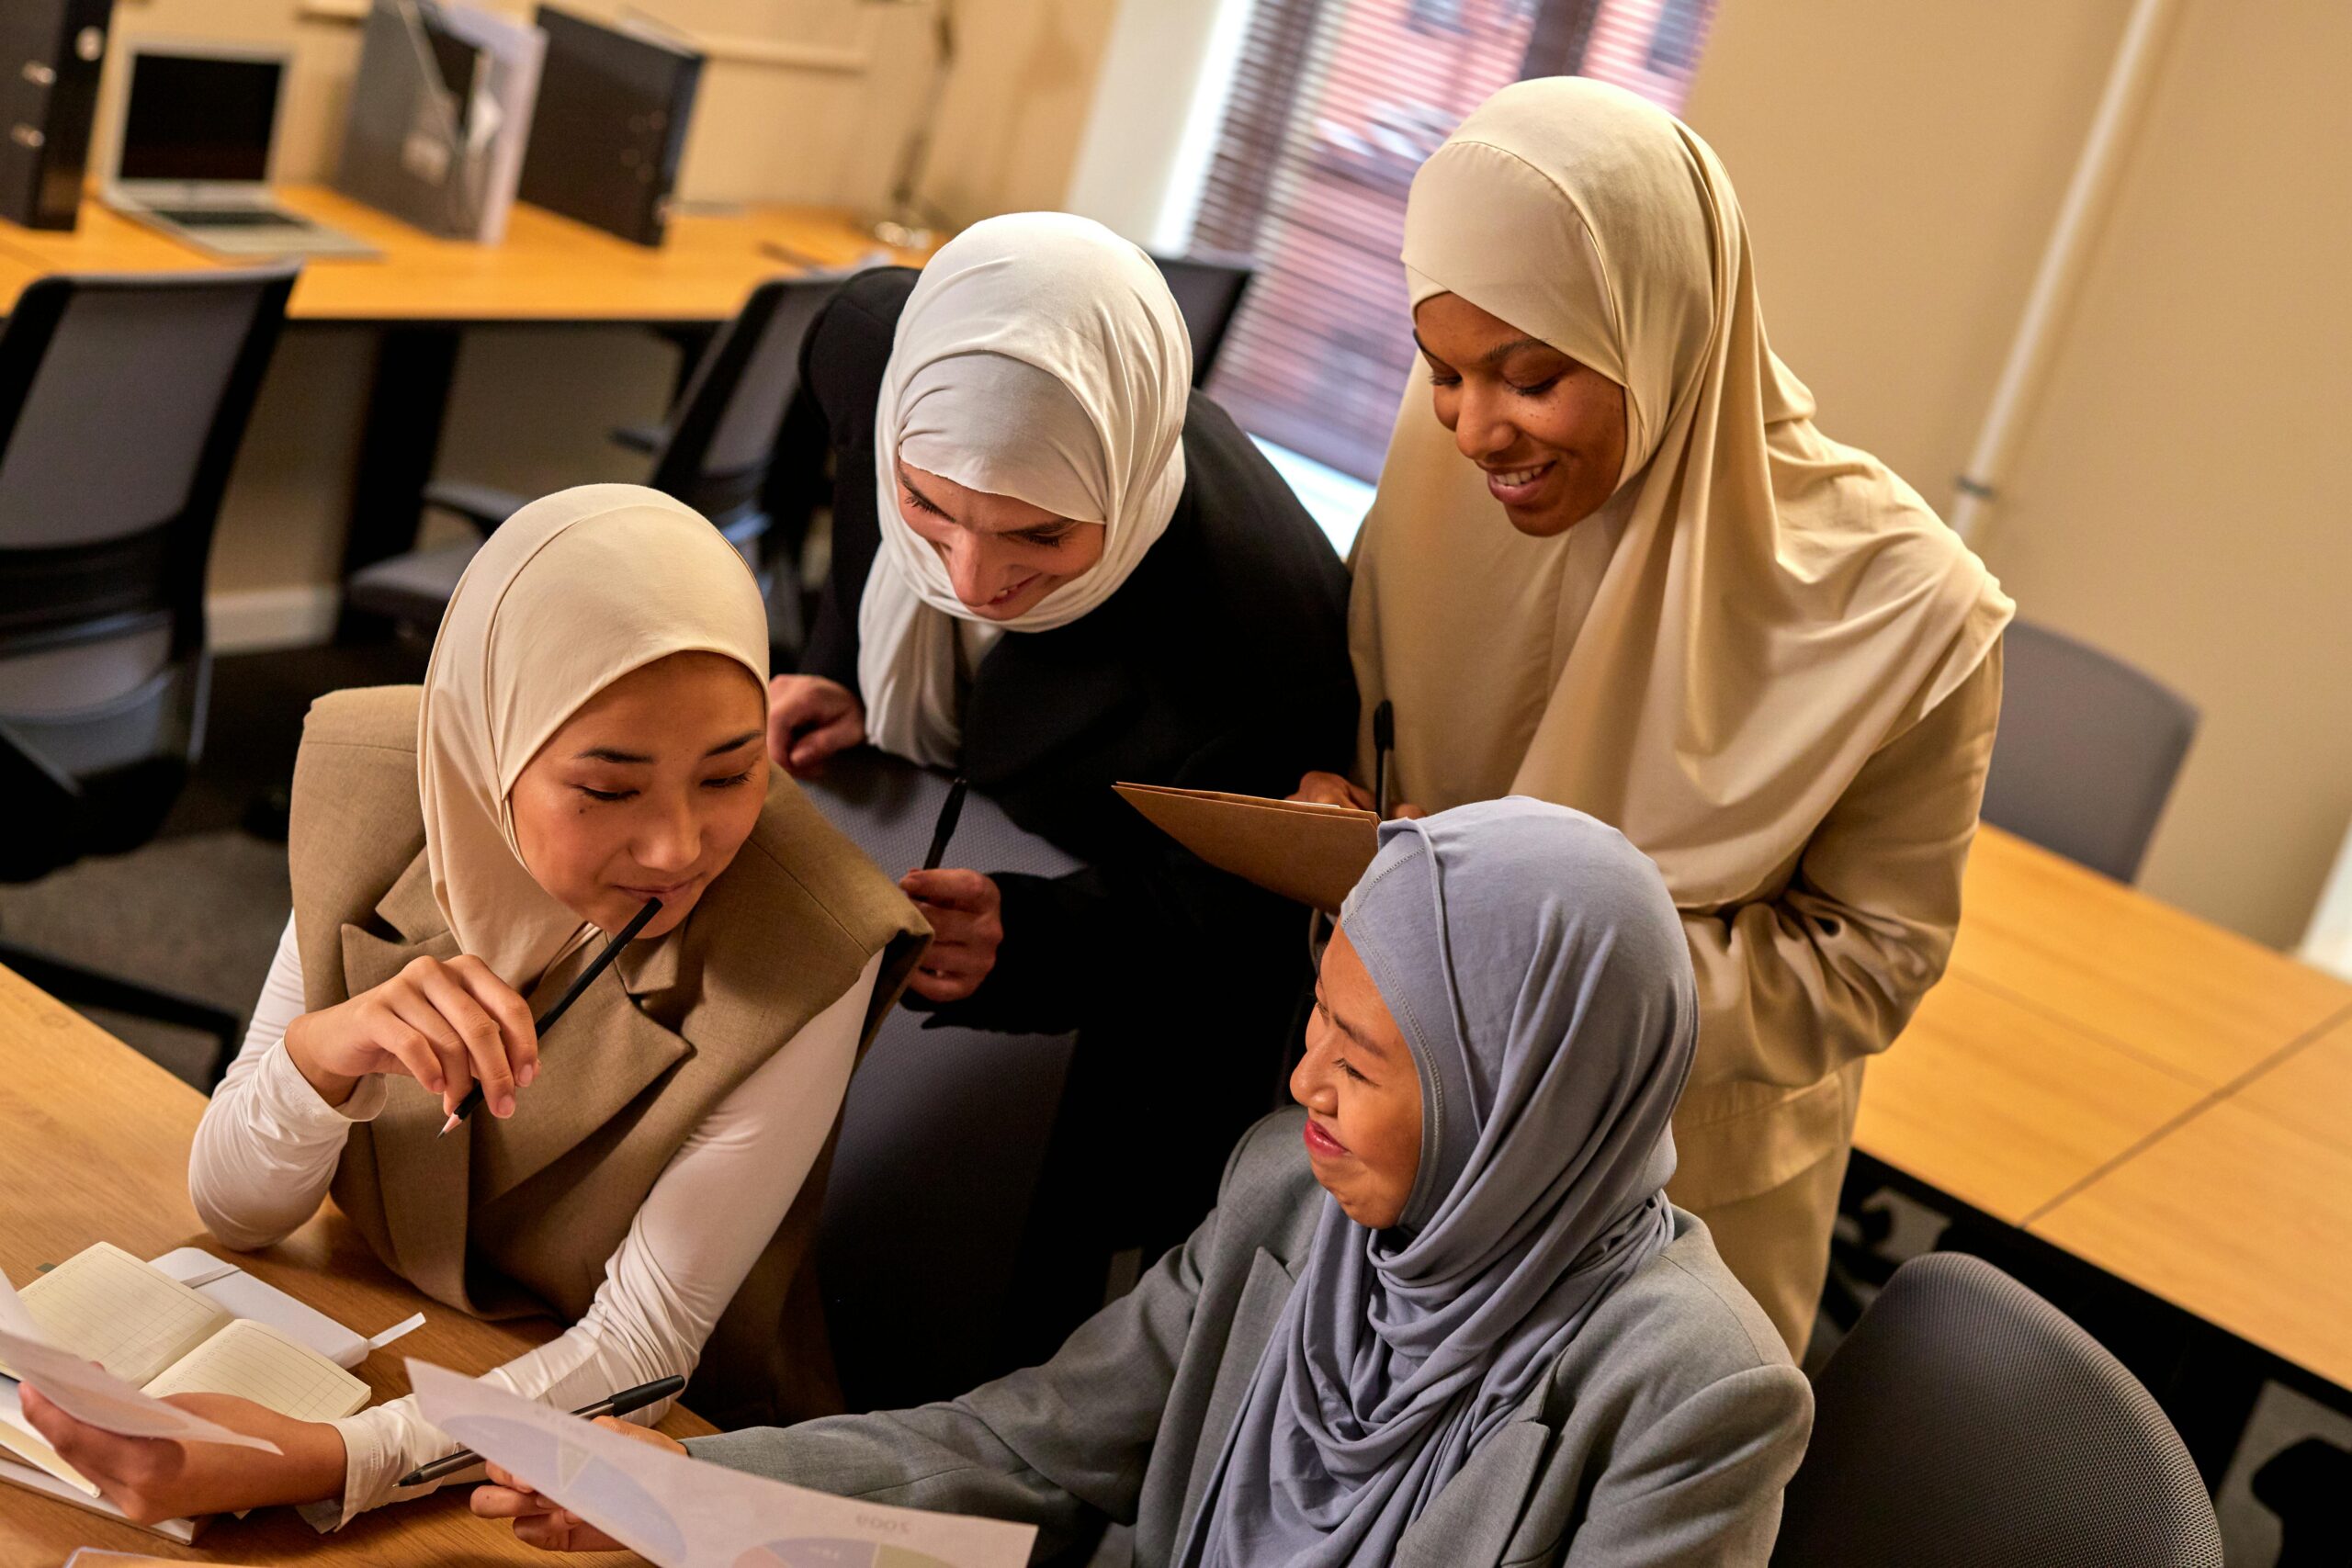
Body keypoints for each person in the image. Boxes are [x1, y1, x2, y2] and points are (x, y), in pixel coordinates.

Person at [471, 799, 1814, 1568]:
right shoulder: (1293, 1193)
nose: (1305, 1085)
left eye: (1361, 1061)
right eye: (1316, 1022)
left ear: (1522, 1097)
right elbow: (1027, 1448)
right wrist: (691, 1482)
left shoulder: (1696, 1389)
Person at [17, 485, 928, 1529]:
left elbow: (643, 1349)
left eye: (729, 775)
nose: (678, 846)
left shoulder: (815, 935)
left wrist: (336, 1460)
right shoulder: (387, 785)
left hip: (644, 1456)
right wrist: (323, 1055)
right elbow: (237, 1208)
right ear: (490, 744)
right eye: (609, 789)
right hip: (383, 1318)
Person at [1298, 78, 2013, 1351]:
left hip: (1669, 1208)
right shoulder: (1433, 475)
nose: (1473, 429)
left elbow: (1867, 962)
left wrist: (1543, 974)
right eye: (1442, 370)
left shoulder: (1901, 607)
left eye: (1530, 377)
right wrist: (1327, 813)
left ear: (1661, 329)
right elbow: (1378, 730)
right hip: (1399, 1145)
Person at [766, 212, 1355, 1348]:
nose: (972, 579)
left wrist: (1038, 938)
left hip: (1116, 983)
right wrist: (844, 664)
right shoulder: (867, 345)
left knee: (968, 1295)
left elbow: (1237, 916)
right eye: (931, 507)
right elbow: (862, 497)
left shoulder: (1263, 626)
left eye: (1038, 536)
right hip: (925, 824)